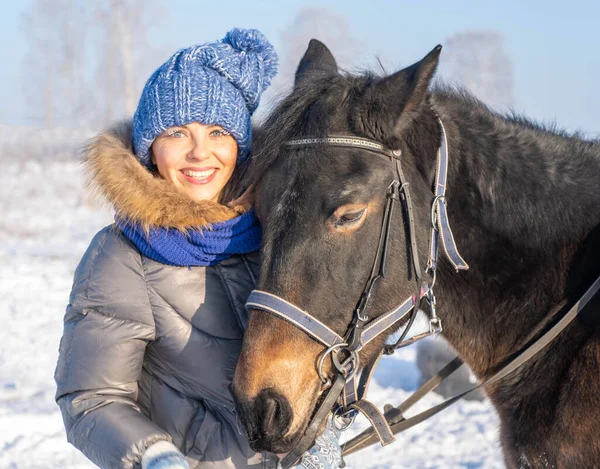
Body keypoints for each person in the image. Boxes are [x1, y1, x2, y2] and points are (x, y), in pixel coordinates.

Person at [54, 28, 342, 469]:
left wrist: (320, 430)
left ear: (240, 145)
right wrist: (155, 458)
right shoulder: (122, 256)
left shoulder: (277, 232)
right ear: (150, 147)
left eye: (217, 131)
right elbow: (92, 398)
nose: (199, 153)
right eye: (176, 132)